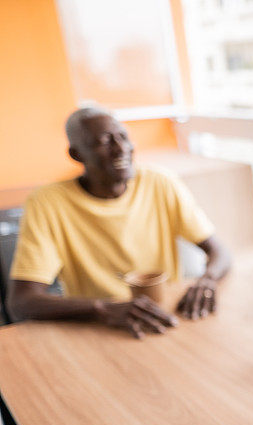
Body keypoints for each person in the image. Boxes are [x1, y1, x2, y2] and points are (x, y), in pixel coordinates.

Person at [7, 107, 231, 338]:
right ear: (76, 154)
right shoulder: (47, 203)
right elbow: (22, 302)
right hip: (100, 329)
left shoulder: (161, 183)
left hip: (167, 319)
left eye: (123, 137)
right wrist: (103, 309)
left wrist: (207, 280)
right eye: (104, 141)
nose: (121, 148)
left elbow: (219, 252)